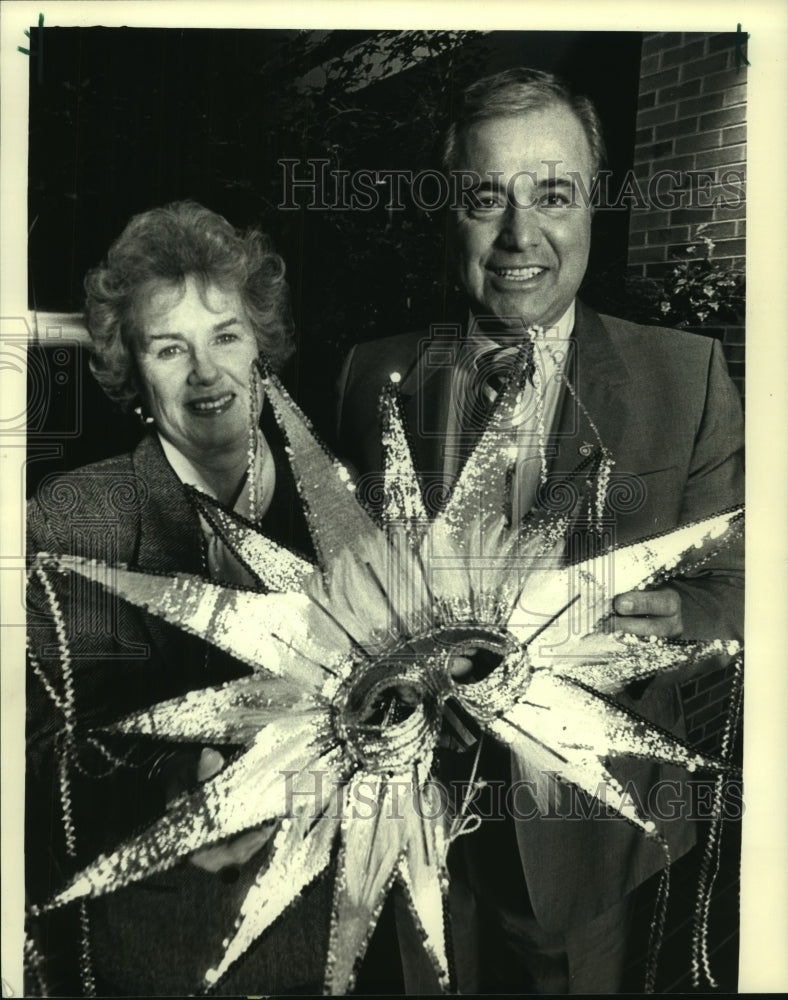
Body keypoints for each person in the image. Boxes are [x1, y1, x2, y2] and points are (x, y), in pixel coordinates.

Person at [336, 69, 744, 994]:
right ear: (452, 214)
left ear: (593, 203)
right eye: (488, 198)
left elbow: (744, 588)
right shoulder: (371, 376)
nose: (520, 236)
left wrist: (678, 613)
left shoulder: (686, 380)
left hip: (582, 847)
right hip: (404, 828)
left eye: (553, 194)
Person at [25, 201, 330, 996]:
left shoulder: (342, 499)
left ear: (263, 347)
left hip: (322, 936)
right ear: (132, 370)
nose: (206, 374)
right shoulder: (79, 518)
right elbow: (41, 763)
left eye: (226, 335)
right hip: (161, 945)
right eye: (170, 348)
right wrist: (161, 791)